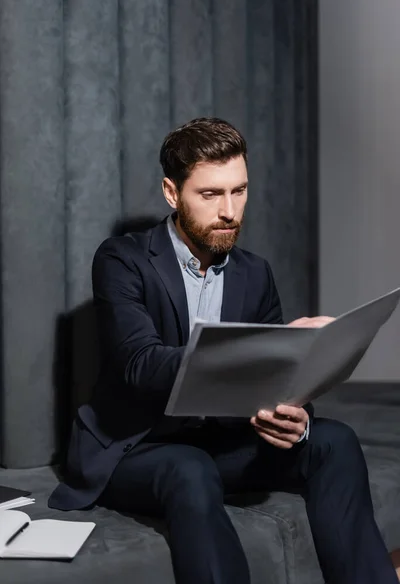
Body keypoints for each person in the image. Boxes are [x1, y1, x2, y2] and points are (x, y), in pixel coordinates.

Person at [49, 117, 398, 584]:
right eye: (211, 195)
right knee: (188, 467)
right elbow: (139, 364)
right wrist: (255, 348)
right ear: (172, 193)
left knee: (332, 439)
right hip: (139, 446)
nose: (230, 211)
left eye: (240, 191)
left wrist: (293, 412)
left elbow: (281, 378)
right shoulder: (122, 259)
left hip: (225, 441)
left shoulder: (255, 273)